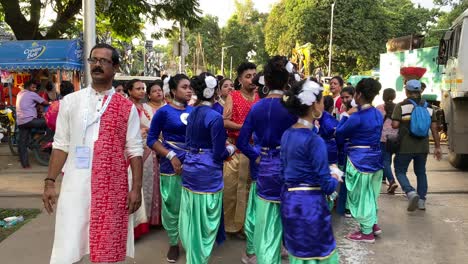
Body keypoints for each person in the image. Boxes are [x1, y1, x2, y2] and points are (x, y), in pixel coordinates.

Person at [43, 43, 144, 263]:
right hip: (76, 183)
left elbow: (135, 150)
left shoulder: (126, 107)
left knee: (107, 248)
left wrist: (136, 188)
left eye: (104, 61)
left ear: (115, 67)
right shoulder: (70, 102)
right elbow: (61, 145)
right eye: (93, 60)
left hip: (112, 187)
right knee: (69, 241)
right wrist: (50, 182)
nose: (97, 65)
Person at [237, 57, 297, 264]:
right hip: (290, 167)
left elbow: (242, 142)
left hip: (264, 167)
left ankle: (263, 255)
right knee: (289, 212)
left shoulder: (257, 107)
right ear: (287, 80)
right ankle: (286, 249)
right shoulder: (293, 108)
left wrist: (257, 157)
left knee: (265, 216)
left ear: (266, 82)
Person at [280, 77, 341, 263]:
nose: (323, 104)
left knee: (298, 256)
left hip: (289, 202)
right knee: (319, 255)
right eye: (322, 100)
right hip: (311, 206)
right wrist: (335, 176)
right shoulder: (315, 140)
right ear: (314, 104)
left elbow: (284, 171)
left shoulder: (287, 134)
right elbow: (327, 185)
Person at [179, 72, 236, 264]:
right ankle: (198, 258)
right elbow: (219, 153)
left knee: (192, 217)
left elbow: (187, 142)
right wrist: (231, 149)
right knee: (206, 222)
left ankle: (192, 255)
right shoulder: (214, 116)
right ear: (214, 91)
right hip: (208, 173)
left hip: (190, 168)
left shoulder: (191, 112)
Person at [147, 74, 193, 262]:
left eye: (190, 87)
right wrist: (171, 155)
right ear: (173, 91)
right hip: (171, 165)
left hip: (193, 165)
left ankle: (191, 242)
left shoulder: (195, 111)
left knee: (190, 207)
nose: (189, 90)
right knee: (172, 206)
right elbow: (151, 139)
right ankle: (174, 243)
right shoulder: (163, 112)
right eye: (184, 87)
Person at [336, 78, 384, 243]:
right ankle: (373, 224)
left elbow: (340, 134)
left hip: (359, 161)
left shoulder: (356, 117)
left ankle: (366, 232)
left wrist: (344, 114)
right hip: (376, 159)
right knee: (371, 195)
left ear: (359, 94)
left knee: (361, 197)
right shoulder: (378, 113)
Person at [392, 79, 442, 211]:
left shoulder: (401, 106)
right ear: (420, 90)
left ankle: (410, 192)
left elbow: (395, 125)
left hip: (405, 146)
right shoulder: (429, 107)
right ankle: (421, 201)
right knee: (421, 172)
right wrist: (437, 147)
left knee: (400, 170)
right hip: (423, 147)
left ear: (406, 91)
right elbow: (434, 129)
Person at [222, 62, 259, 236]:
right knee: (231, 191)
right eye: (248, 76)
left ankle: (247, 226)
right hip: (236, 150)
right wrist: (244, 127)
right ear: (240, 79)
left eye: (254, 75)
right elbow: (225, 121)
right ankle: (231, 226)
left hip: (255, 152)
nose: (252, 79)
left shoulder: (260, 96)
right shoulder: (233, 96)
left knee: (250, 191)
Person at [127, 79, 154, 239]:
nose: (142, 91)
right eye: (138, 88)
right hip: (132, 152)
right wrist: (139, 132)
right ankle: (129, 230)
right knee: (134, 186)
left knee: (145, 186)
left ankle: (146, 221)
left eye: (143, 88)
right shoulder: (126, 107)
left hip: (147, 150)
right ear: (130, 91)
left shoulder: (144, 107)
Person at [16, 80, 50, 168]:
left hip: (21, 122)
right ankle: (46, 141)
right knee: (50, 122)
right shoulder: (31, 94)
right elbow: (45, 103)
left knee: (22, 142)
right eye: (33, 87)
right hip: (30, 120)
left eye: (35, 88)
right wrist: (50, 103)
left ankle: (25, 164)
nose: (34, 89)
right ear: (28, 87)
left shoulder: (20, 94)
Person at [376, 88, 399, 194]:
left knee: (385, 160)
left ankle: (391, 181)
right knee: (388, 159)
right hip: (395, 139)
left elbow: (376, 124)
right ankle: (385, 178)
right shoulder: (398, 107)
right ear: (394, 96)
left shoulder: (379, 108)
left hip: (383, 138)